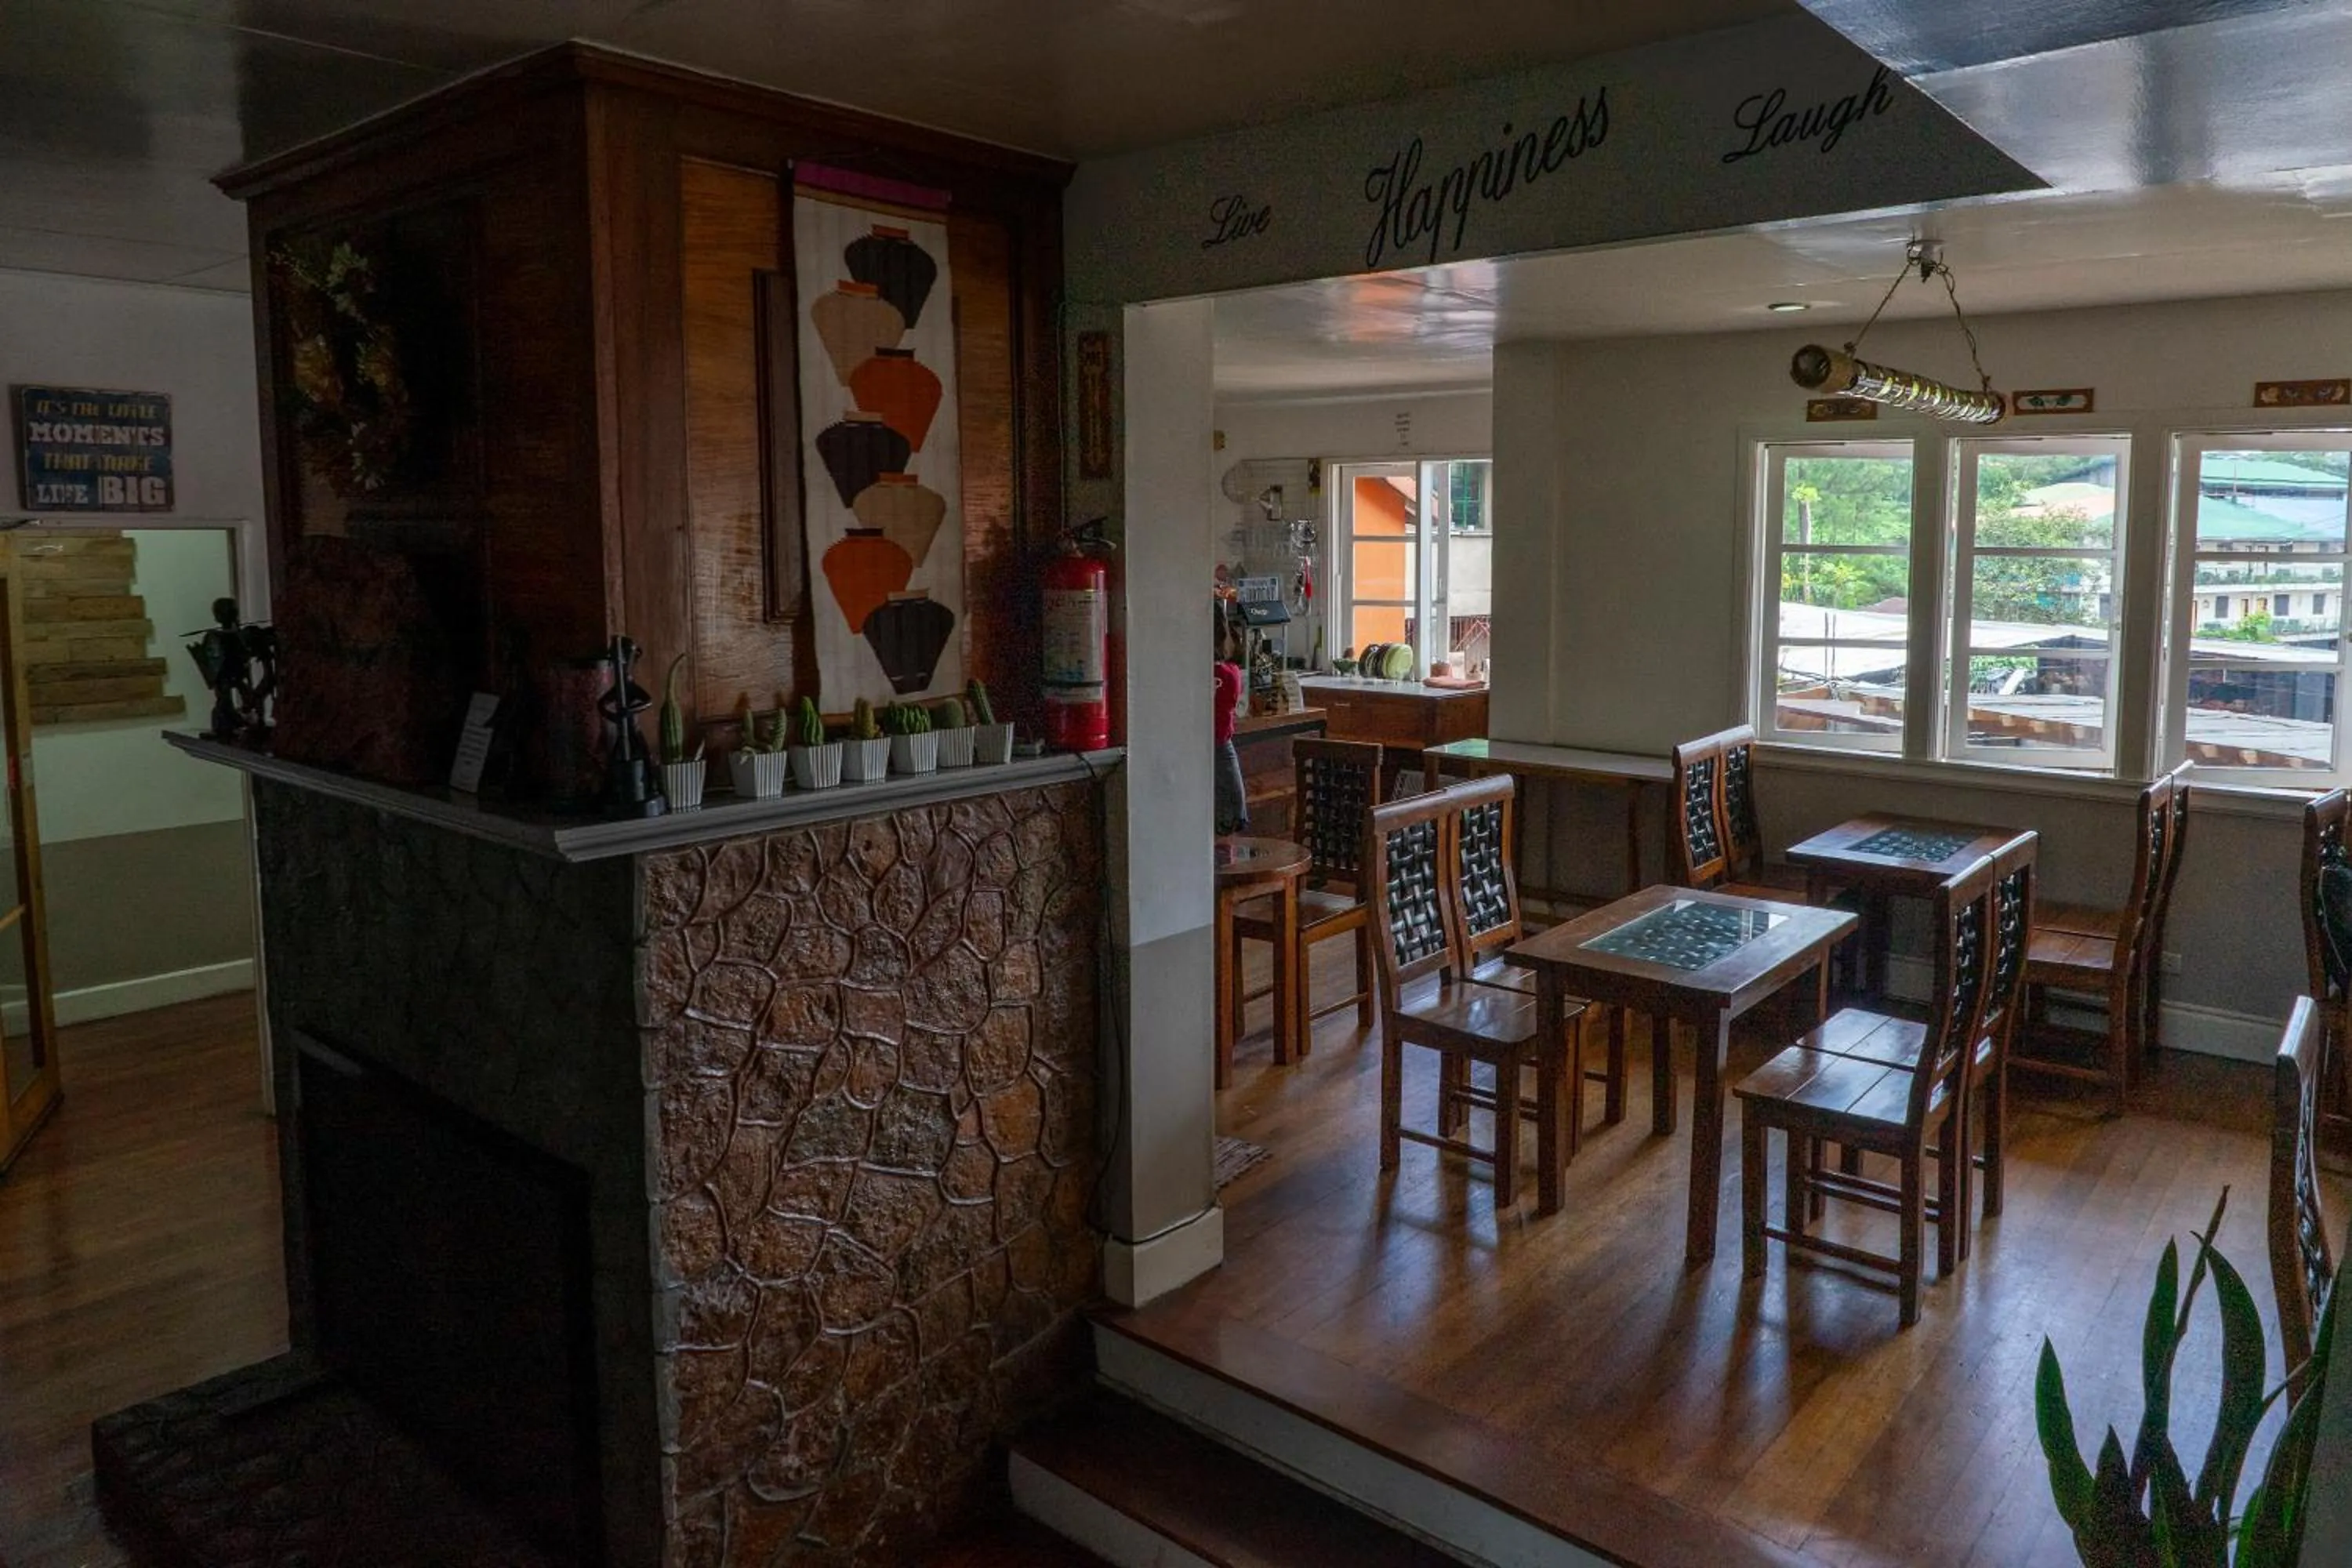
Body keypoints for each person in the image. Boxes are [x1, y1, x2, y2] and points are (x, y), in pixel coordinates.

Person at [1213, 601, 1248, 834]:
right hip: (1222, 752)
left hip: (1213, 753)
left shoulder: (1222, 674)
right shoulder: (1230, 673)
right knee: (1226, 834)